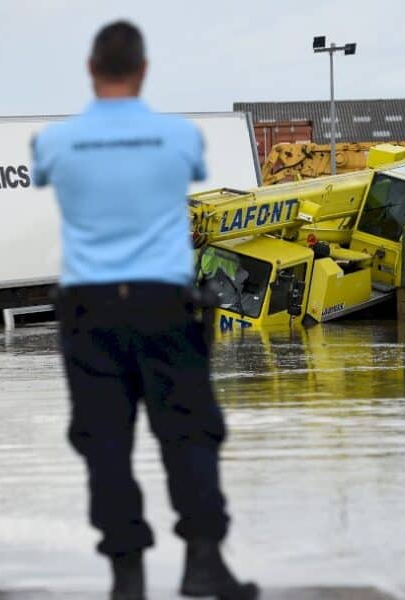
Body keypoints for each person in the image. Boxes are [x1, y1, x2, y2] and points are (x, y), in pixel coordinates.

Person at [30, 21, 258, 600]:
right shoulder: (179, 138)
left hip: (89, 310)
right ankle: (203, 560)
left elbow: (43, 177)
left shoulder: (55, 144)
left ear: (91, 68)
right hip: (164, 306)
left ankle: (126, 575)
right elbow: (193, 178)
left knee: (104, 442)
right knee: (190, 433)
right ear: (143, 69)